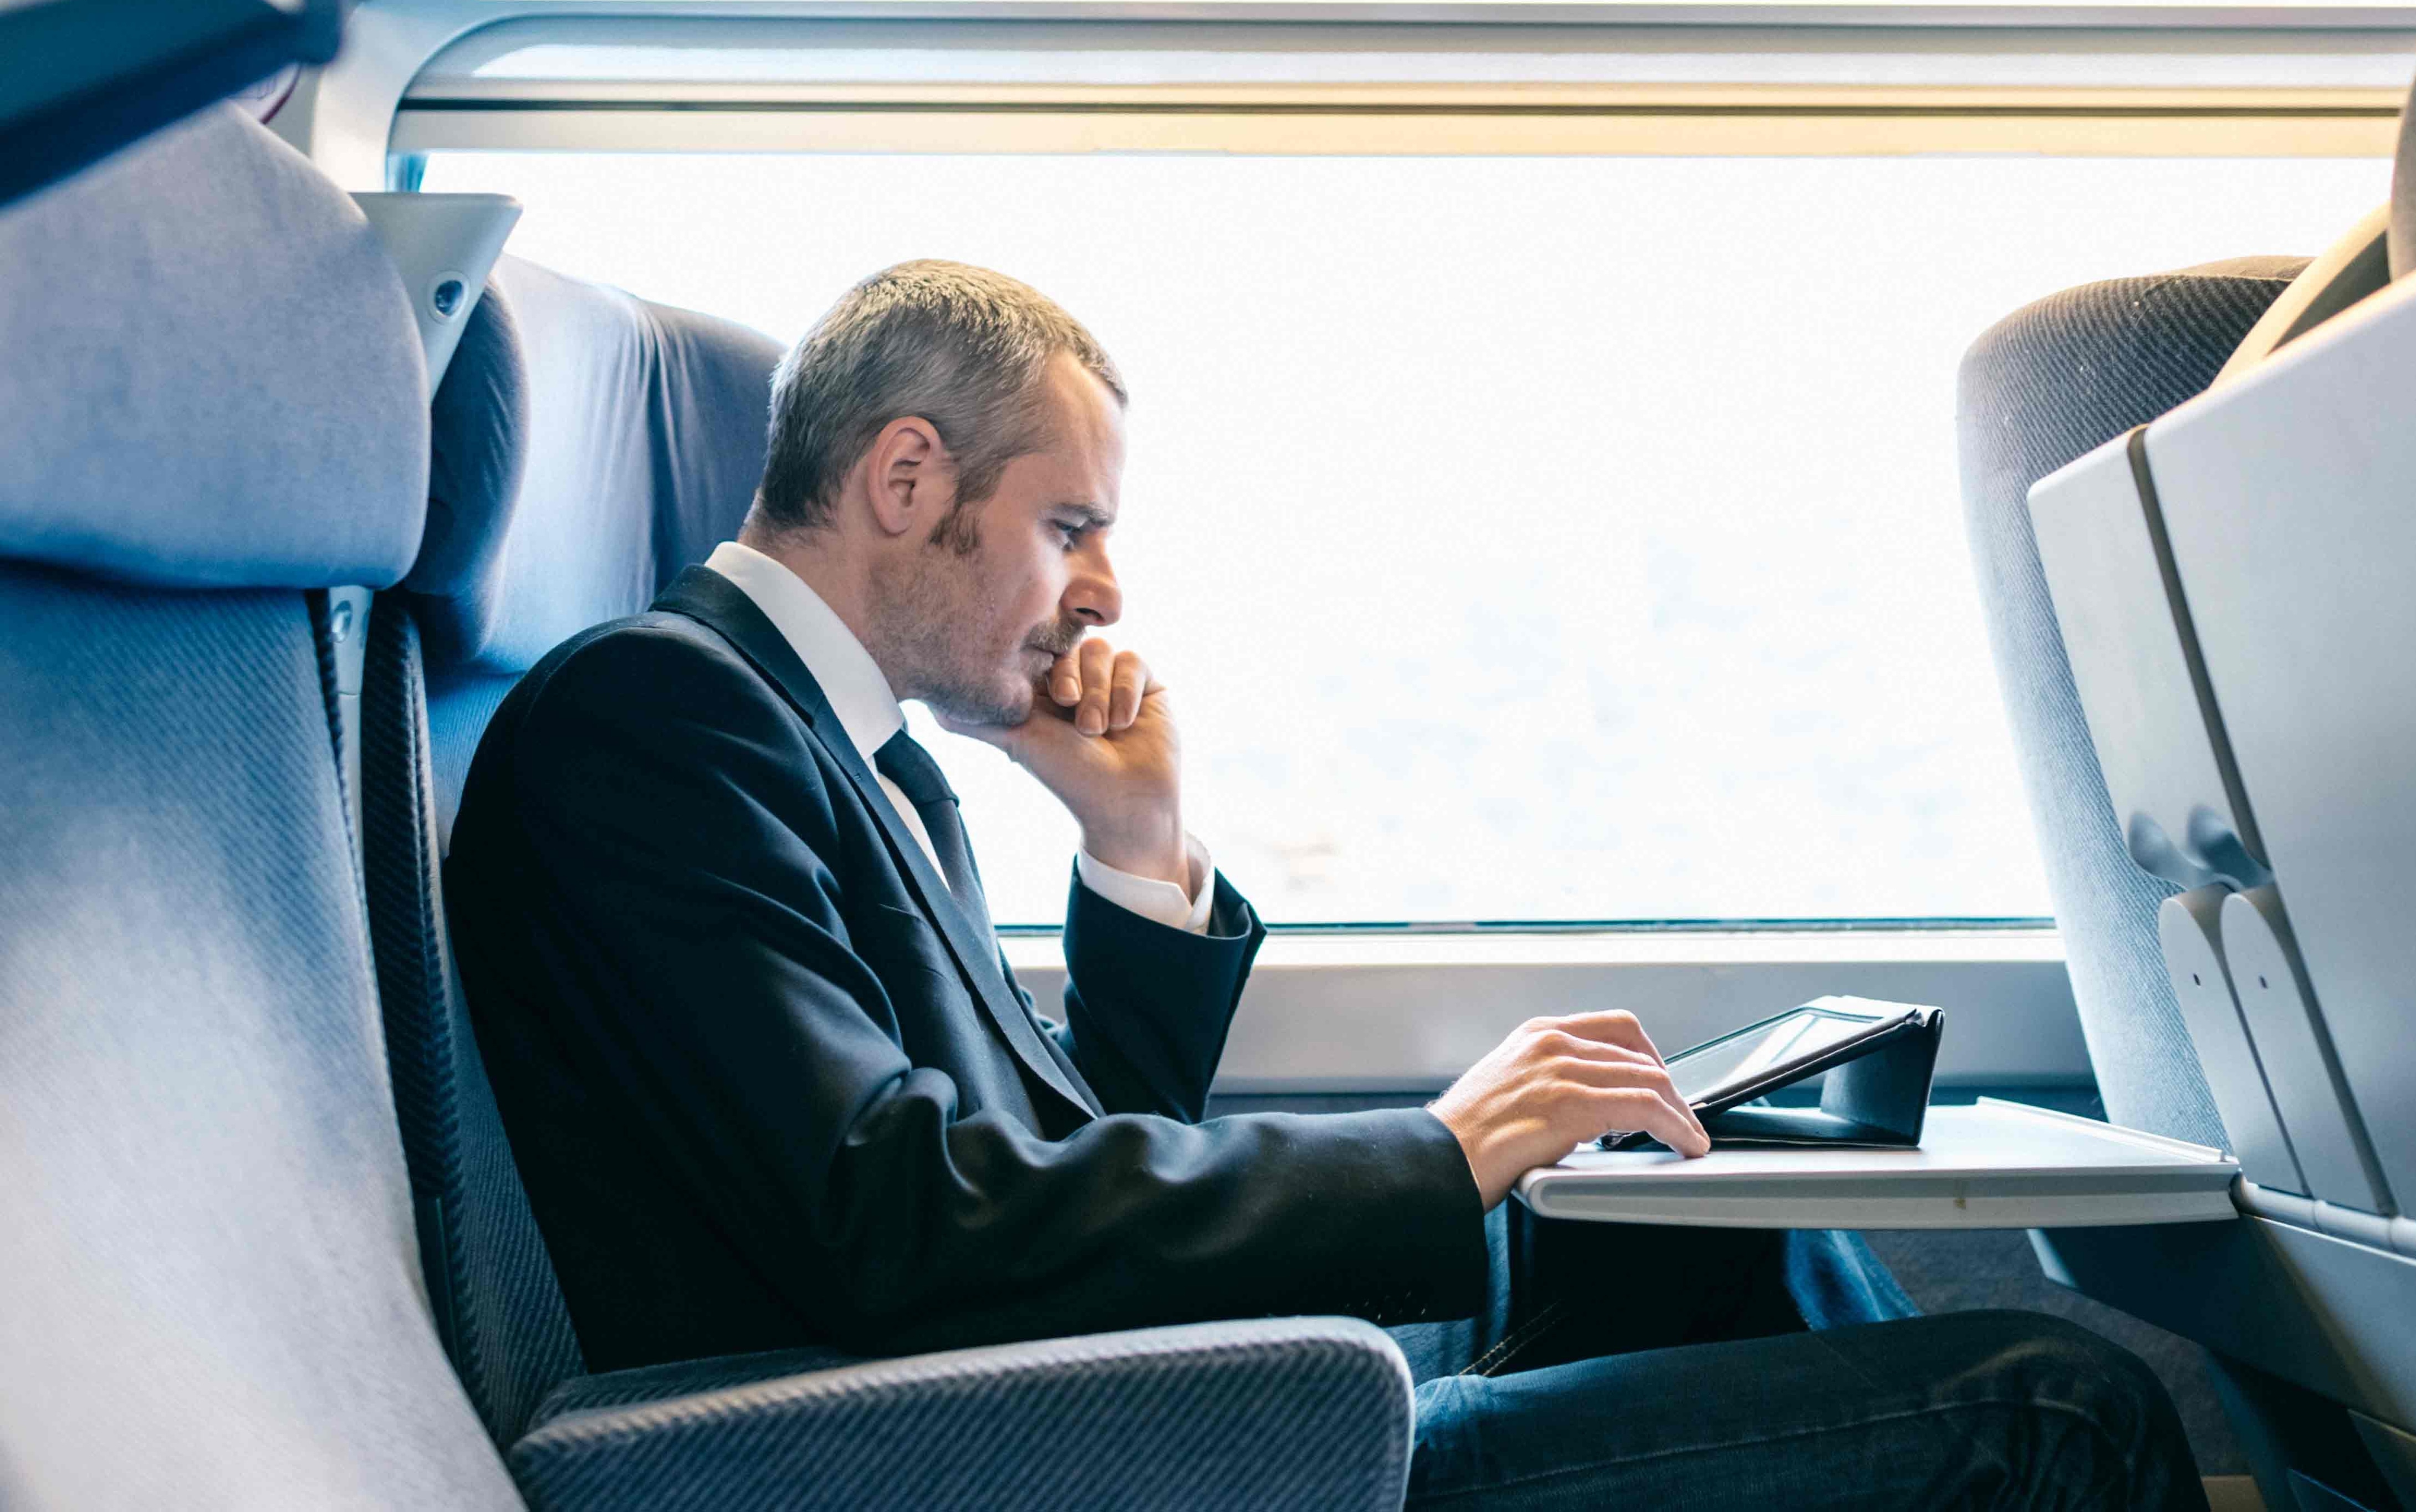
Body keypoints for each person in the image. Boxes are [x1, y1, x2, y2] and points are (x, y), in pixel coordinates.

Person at [445, 258, 2205, 1509]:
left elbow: (1061, 1162)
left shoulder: (860, 757)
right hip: (988, 1456)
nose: (1105, 594)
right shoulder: (658, 721)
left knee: (1716, 1225)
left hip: (1067, 1388)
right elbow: (902, 1224)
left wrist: (1137, 851)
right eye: (1071, 527)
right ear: (908, 477)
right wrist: (1438, 1149)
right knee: (2054, 1411)